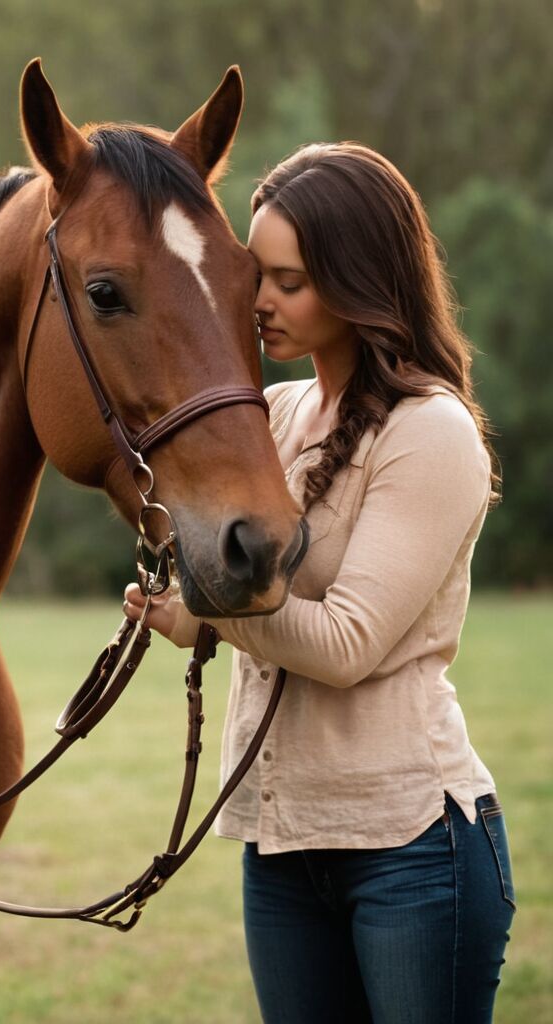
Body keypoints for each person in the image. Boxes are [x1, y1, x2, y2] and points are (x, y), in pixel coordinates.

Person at [124, 142, 514, 1024]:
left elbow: (343, 645)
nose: (259, 300)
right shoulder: (279, 413)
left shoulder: (432, 432)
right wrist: (189, 618)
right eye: (256, 273)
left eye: (288, 281)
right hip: (281, 844)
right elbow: (261, 607)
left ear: (359, 281)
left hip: (412, 849)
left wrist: (215, 601)